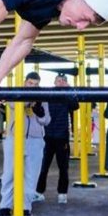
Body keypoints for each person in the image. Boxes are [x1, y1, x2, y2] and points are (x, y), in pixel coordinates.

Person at [0, 72, 50, 216]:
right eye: (30, 83)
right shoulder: (16, 93)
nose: (33, 86)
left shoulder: (43, 98)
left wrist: (39, 111)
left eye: (36, 84)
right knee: (9, 173)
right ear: (25, 82)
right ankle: (5, 206)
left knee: (31, 175)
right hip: (14, 138)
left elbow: (46, 120)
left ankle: (26, 207)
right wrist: (30, 101)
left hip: (36, 139)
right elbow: (14, 104)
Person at [35, 73, 79, 204]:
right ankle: (39, 192)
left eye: (63, 81)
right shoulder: (49, 93)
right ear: (54, 82)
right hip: (47, 136)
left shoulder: (67, 95)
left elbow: (75, 106)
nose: (60, 83)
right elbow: (39, 106)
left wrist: (69, 89)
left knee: (63, 167)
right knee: (43, 166)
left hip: (62, 136)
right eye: (58, 80)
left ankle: (62, 193)